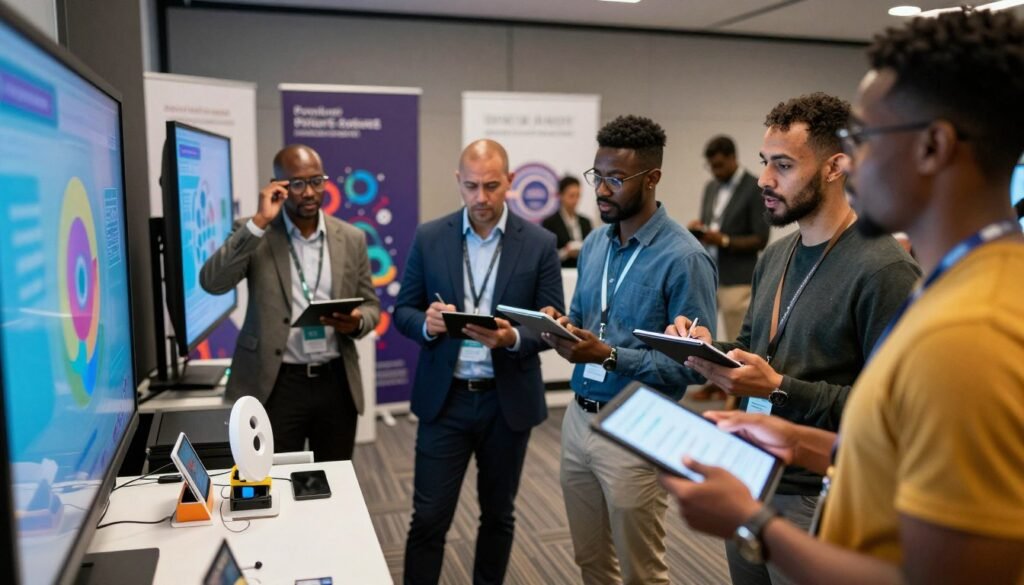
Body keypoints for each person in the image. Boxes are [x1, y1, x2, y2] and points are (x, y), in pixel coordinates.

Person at [661, 9, 1024, 585]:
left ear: (933, 147)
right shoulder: (964, 283)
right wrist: (801, 441)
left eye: (866, 139)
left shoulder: (965, 331)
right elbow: (902, 452)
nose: (854, 161)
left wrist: (755, 522)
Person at [667, 93, 920, 585]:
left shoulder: (884, 269)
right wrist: (706, 347)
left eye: (783, 165)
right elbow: (754, 348)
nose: (764, 178)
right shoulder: (775, 255)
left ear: (835, 167)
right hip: (748, 474)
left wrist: (780, 387)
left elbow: (892, 417)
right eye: (765, 163)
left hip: (819, 494)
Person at [541, 115, 718, 585]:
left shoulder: (684, 258)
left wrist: (610, 356)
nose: (601, 189)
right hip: (578, 420)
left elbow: (698, 370)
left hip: (640, 425)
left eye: (615, 180)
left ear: (653, 178)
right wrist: (562, 331)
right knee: (590, 560)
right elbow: (584, 319)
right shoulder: (596, 242)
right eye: (597, 176)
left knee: (642, 571)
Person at [394, 139, 563, 585]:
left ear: (510, 181)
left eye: (492, 186)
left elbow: (552, 324)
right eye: (471, 186)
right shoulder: (430, 237)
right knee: (428, 517)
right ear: (458, 182)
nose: (481, 198)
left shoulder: (541, 243)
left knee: (498, 515)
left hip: (505, 403)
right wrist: (426, 324)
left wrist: (512, 338)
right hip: (445, 400)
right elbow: (403, 311)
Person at [200, 144, 380, 462]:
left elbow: (371, 306)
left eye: (316, 181)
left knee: (335, 480)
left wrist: (357, 322)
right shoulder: (254, 231)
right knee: (275, 478)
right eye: (297, 184)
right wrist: (259, 222)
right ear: (278, 187)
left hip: (335, 381)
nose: (309, 192)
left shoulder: (351, 238)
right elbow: (212, 283)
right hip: (277, 382)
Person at [689, 135, 770, 342]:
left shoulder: (755, 188)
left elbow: (761, 238)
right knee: (700, 336)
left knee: (737, 342)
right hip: (709, 274)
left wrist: (723, 241)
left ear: (733, 158)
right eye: (711, 166)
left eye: (719, 165)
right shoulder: (711, 186)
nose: (715, 171)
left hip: (737, 280)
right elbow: (712, 222)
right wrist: (700, 231)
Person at [543, 175, 593, 268]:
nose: (575, 200)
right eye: (571, 196)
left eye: (578, 195)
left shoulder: (585, 222)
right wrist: (565, 253)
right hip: (561, 271)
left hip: (582, 270)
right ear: (561, 196)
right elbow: (546, 256)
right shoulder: (550, 223)